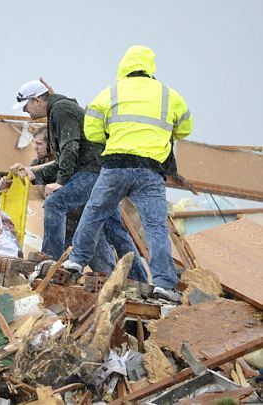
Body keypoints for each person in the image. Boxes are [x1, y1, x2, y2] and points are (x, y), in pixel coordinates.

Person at [65, 45, 193, 302]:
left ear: (124, 66)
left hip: (116, 166)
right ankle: (164, 285)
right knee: (155, 226)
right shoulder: (169, 95)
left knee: (94, 212)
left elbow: (91, 130)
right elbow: (185, 128)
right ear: (150, 67)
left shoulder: (111, 92)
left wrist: (110, 136)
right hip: (150, 171)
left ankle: (76, 262)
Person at [7, 80, 145, 279]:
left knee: (55, 203)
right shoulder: (60, 110)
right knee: (115, 229)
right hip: (104, 172)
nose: (25, 112)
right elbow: (68, 158)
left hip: (95, 172)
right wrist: (35, 174)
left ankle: (49, 260)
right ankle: (140, 279)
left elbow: (70, 148)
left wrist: (60, 182)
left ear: (37, 100)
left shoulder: (61, 110)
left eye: (26, 106)